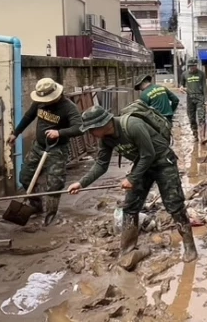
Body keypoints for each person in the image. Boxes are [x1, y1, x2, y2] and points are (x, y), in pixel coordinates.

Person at [67, 103, 198, 266]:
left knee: (174, 205)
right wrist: (81, 183)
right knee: (130, 207)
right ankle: (127, 250)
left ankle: (189, 246)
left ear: (102, 125)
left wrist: (132, 178)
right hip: (142, 165)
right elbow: (101, 164)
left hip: (163, 161)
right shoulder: (105, 139)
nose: (90, 134)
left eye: (91, 129)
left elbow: (148, 154)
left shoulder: (132, 125)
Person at [9, 77, 83, 225]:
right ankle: (36, 206)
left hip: (58, 149)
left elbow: (79, 128)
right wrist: (15, 133)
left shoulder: (68, 107)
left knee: (54, 184)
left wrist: (59, 133)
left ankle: (50, 216)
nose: (44, 103)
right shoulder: (40, 101)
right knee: (25, 177)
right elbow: (28, 116)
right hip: (39, 146)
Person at [183, 59, 207, 144]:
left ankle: (203, 137)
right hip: (190, 97)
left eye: (194, 66)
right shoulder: (184, 74)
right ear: (188, 66)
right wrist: (181, 88)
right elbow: (181, 85)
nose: (192, 68)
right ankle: (195, 135)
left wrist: (206, 99)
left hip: (200, 97)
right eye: (191, 66)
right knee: (191, 118)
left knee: (201, 117)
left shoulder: (201, 74)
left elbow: (204, 86)